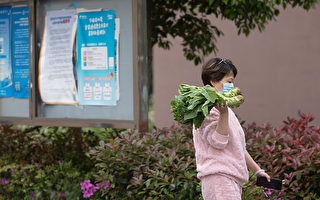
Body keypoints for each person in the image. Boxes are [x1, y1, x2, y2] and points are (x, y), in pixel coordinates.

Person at [193, 58, 270, 200]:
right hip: (219, 178)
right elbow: (219, 142)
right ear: (213, 81)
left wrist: (257, 170)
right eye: (229, 81)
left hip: (228, 179)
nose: (232, 85)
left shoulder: (224, 108)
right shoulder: (207, 109)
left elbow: (238, 146)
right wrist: (223, 113)